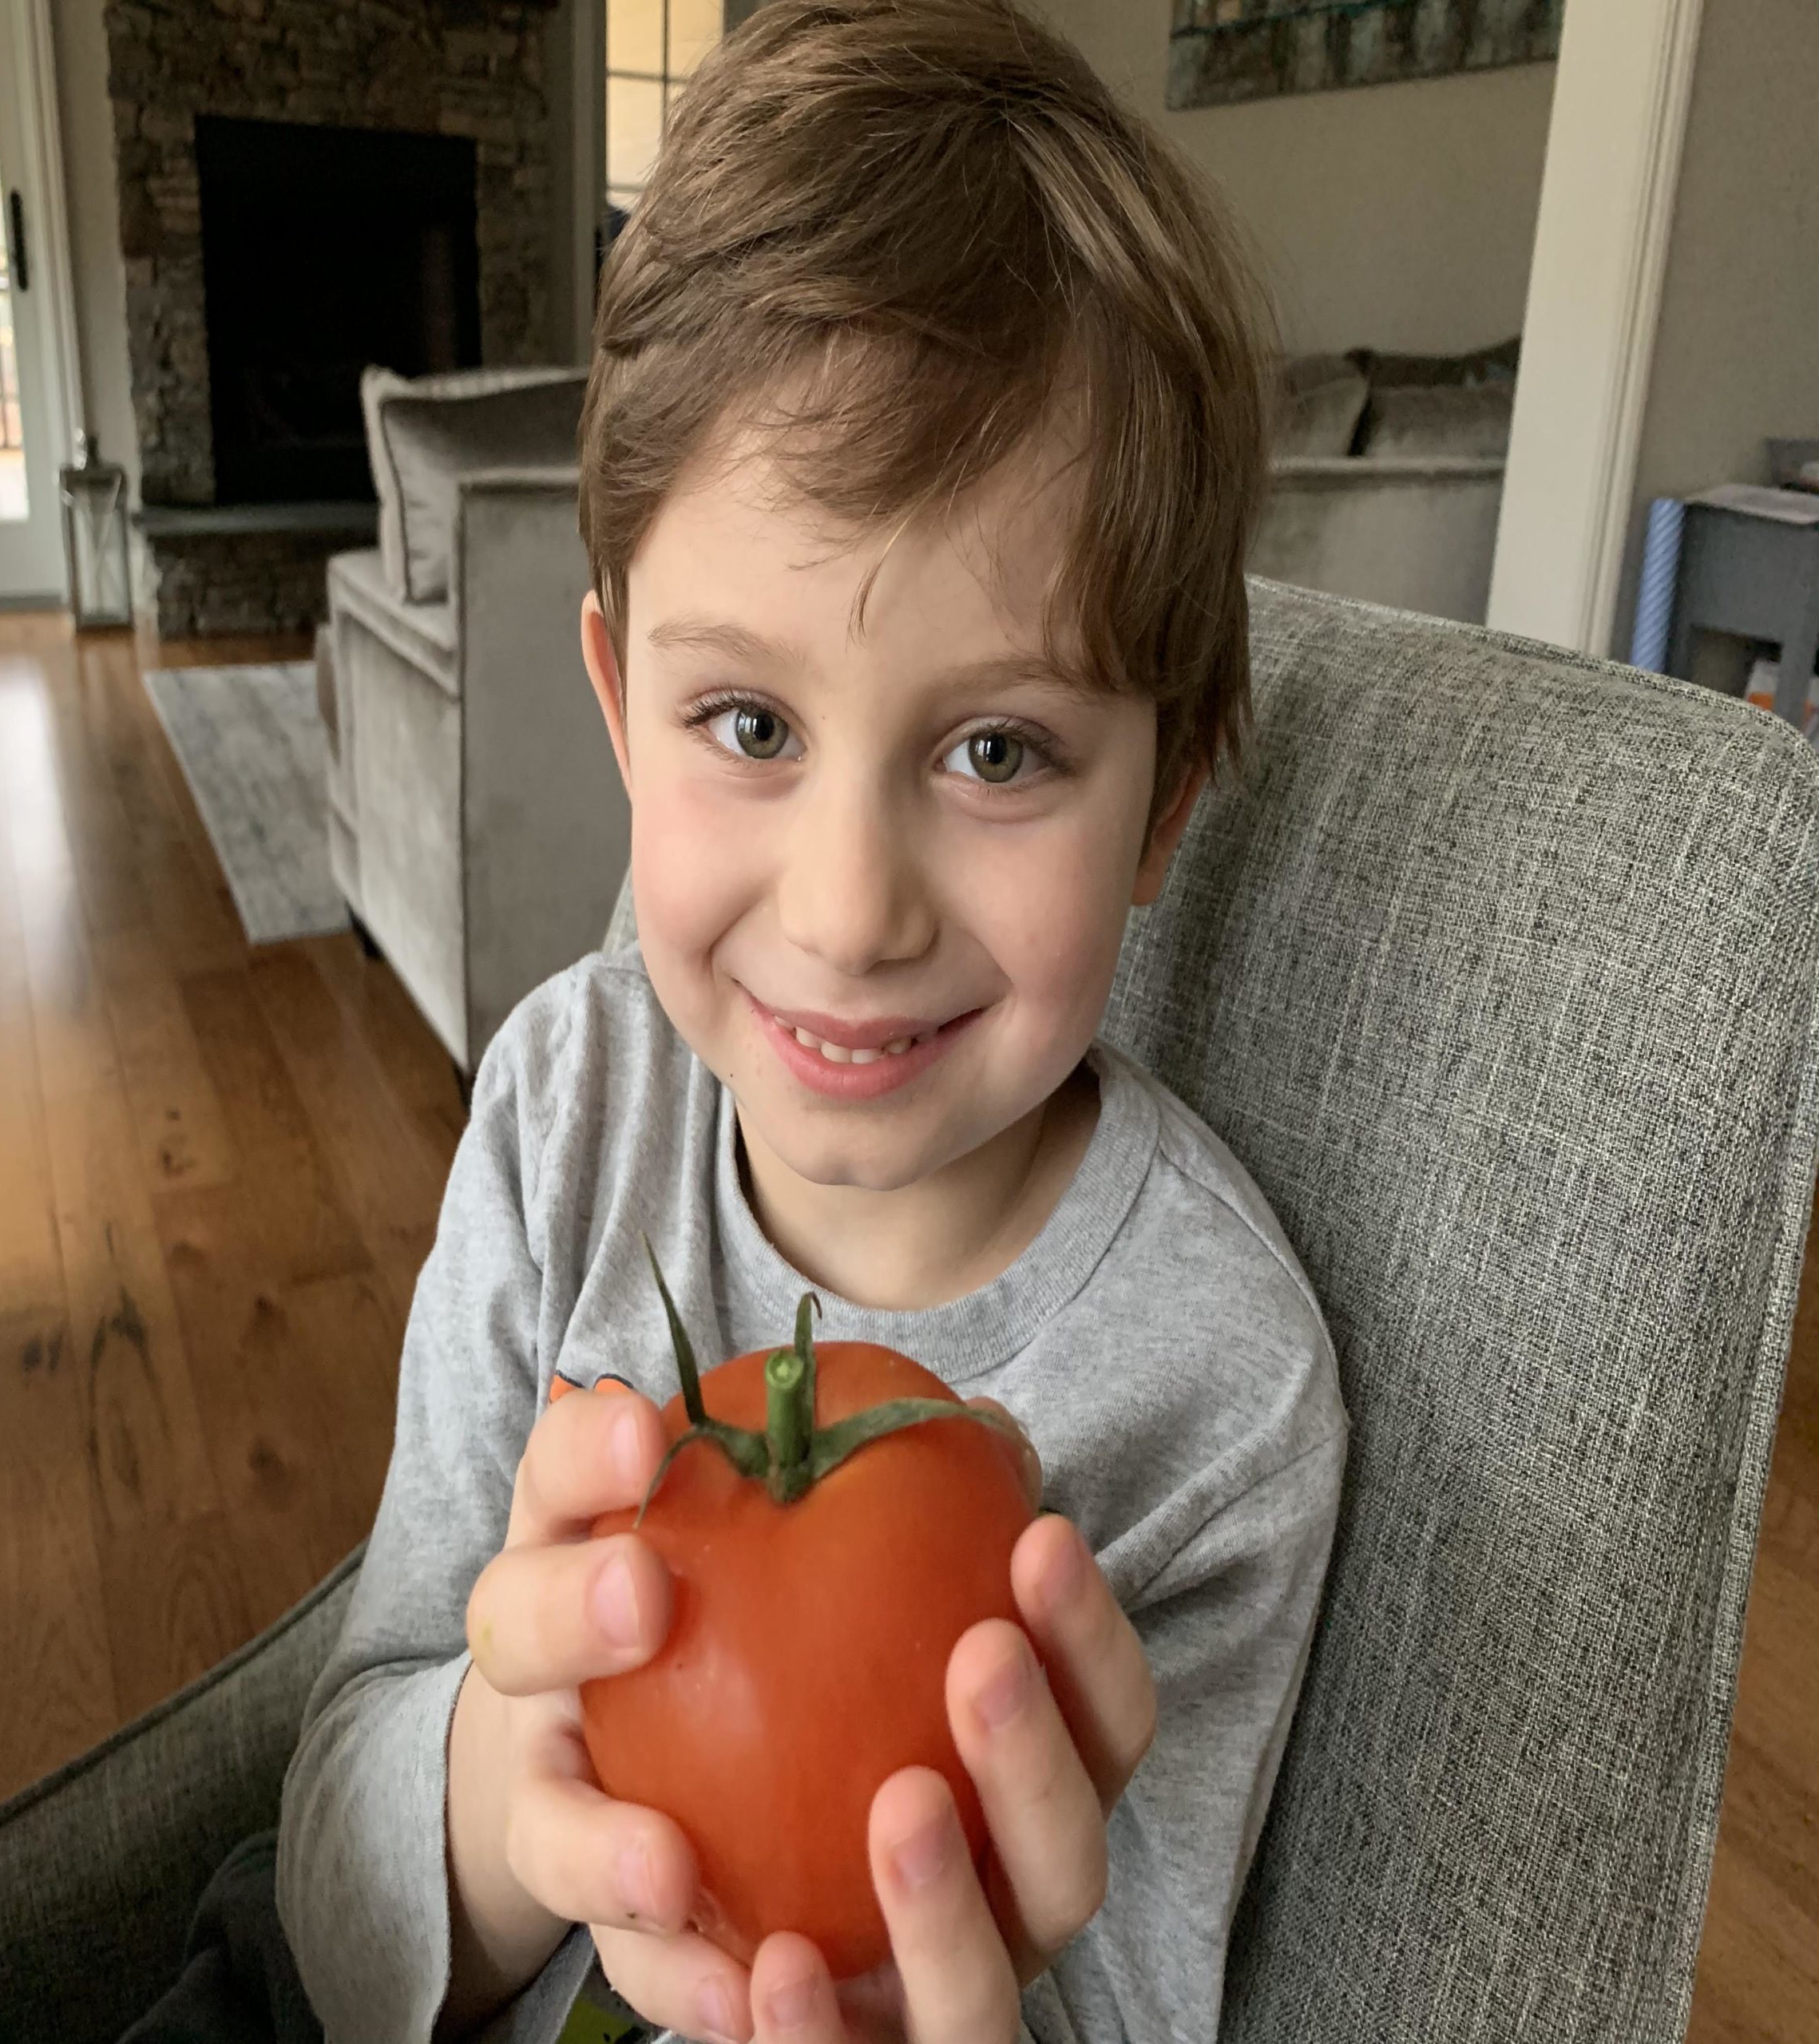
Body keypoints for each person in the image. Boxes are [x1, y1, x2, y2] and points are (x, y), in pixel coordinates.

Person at [275, 2, 1347, 2039]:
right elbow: (326, 1834)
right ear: (616, 710)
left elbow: (1133, 1996)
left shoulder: (1216, 1394)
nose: (848, 912)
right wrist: (509, 1802)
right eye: (747, 722)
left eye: (1003, 747)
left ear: (1166, 799)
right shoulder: (559, 1113)